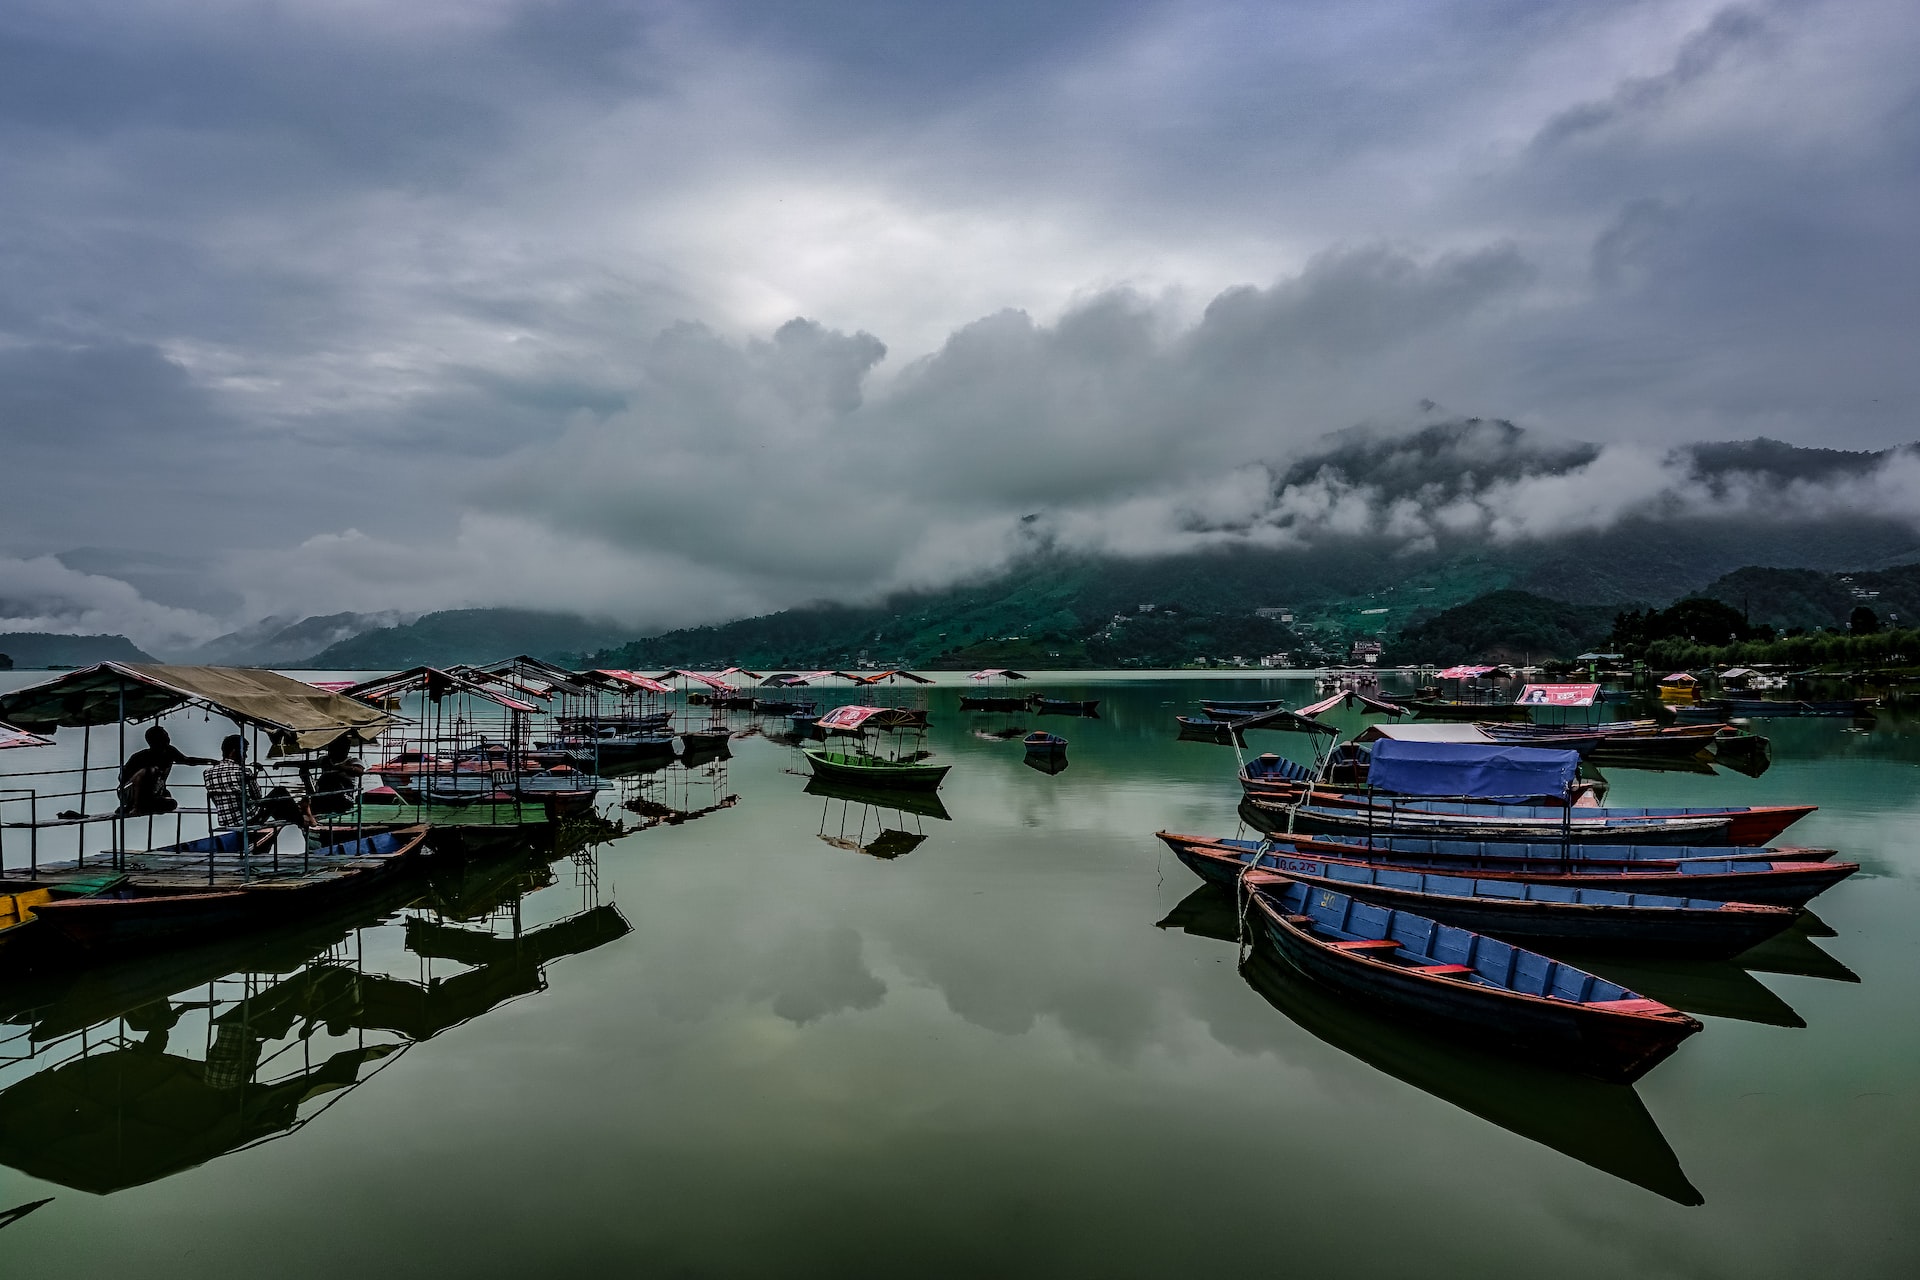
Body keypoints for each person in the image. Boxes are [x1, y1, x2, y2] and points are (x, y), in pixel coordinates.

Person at [203, 734, 307, 829]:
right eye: (244, 752)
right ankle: (302, 823)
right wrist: (253, 775)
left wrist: (253, 776)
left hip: (227, 822)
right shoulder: (244, 771)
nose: (246, 756)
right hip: (249, 820)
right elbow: (258, 796)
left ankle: (293, 820)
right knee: (280, 791)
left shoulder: (207, 773)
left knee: (275, 802)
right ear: (234, 752)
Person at [115, 726, 214, 817]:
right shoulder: (140, 756)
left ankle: (145, 805)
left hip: (153, 794)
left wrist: (210, 761)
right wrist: (140, 775)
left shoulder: (169, 751)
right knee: (150, 771)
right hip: (128, 793)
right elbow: (121, 778)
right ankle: (136, 807)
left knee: (172, 803)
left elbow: (188, 760)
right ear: (156, 740)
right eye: (164, 735)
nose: (168, 738)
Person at [308, 737, 365, 816]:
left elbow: (359, 771)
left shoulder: (352, 761)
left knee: (331, 778)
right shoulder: (325, 760)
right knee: (318, 792)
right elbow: (312, 764)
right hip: (325, 794)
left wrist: (341, 768)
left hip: (344, 797)